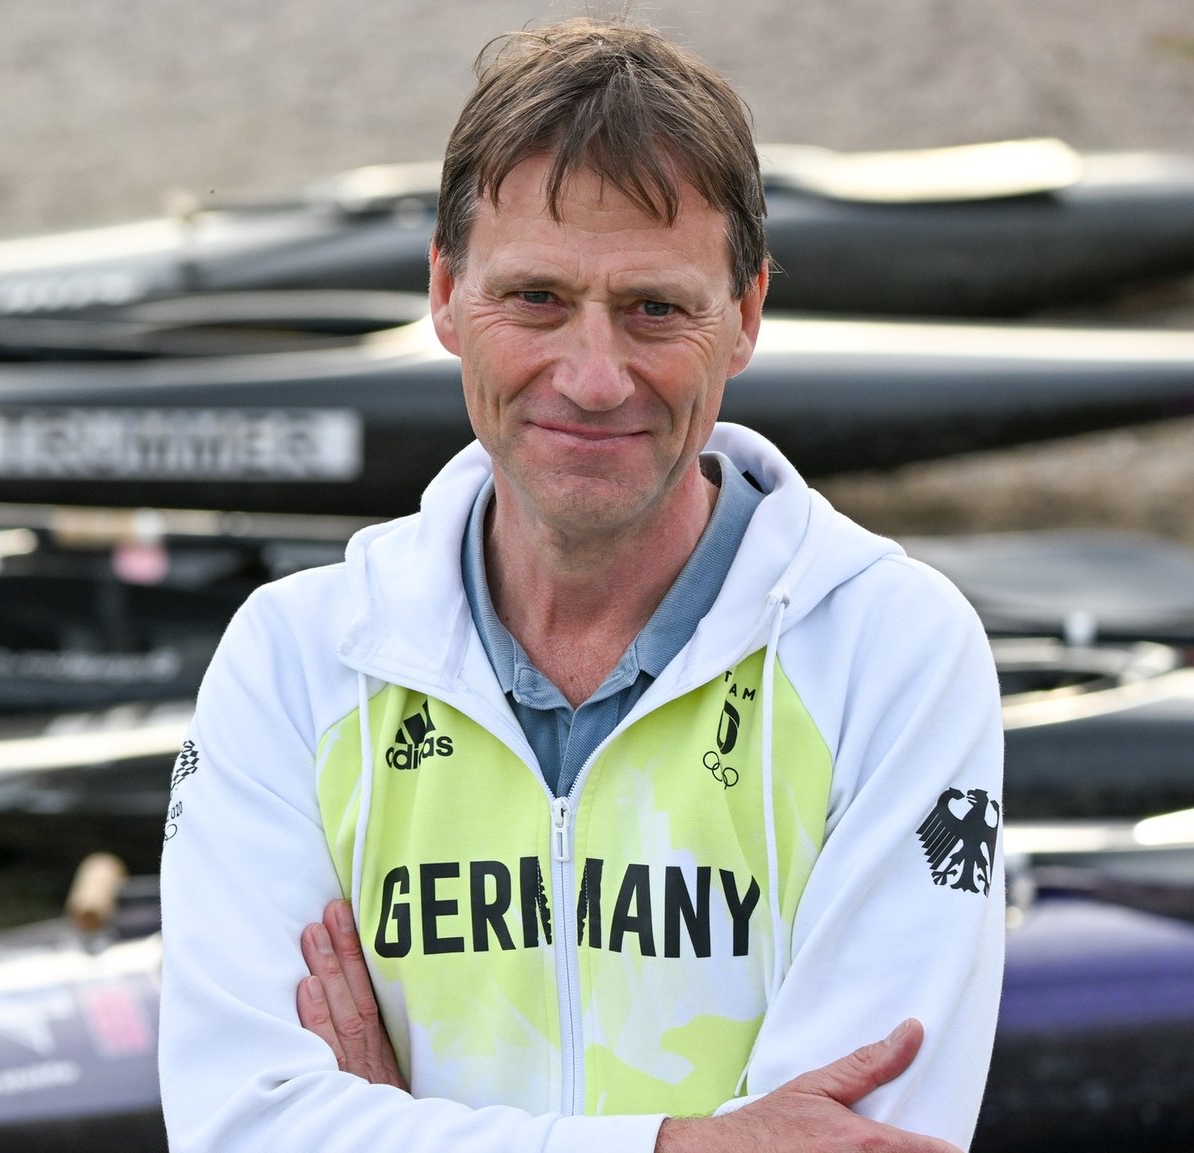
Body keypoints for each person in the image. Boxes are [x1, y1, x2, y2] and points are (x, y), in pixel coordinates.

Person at [158, 17, 1004, 1153]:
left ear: (744, 313)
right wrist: (685, 1144)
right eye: (537, 299)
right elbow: (237, 1130)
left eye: (654, 308)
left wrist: (392, 1129)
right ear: (445, 294)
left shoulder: (892, 653)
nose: (593, 376)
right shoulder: (295, 662)